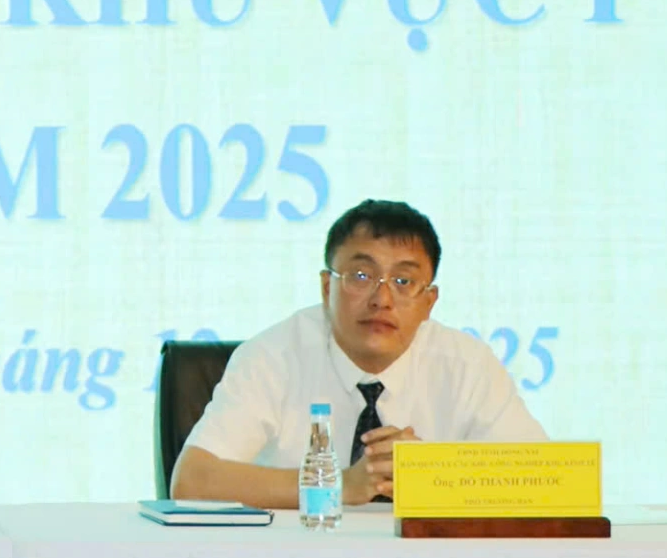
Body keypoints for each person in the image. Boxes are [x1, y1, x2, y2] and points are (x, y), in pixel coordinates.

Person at [170, 199, 546, 508]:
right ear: (326, 287)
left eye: (403, 281)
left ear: (429, 301)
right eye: (362, 276)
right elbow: (191, 481)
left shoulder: (468, 366)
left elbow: (546, 484)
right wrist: (336, 485)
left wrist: (435, 475)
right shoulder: (273, 357)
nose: (382, 299)